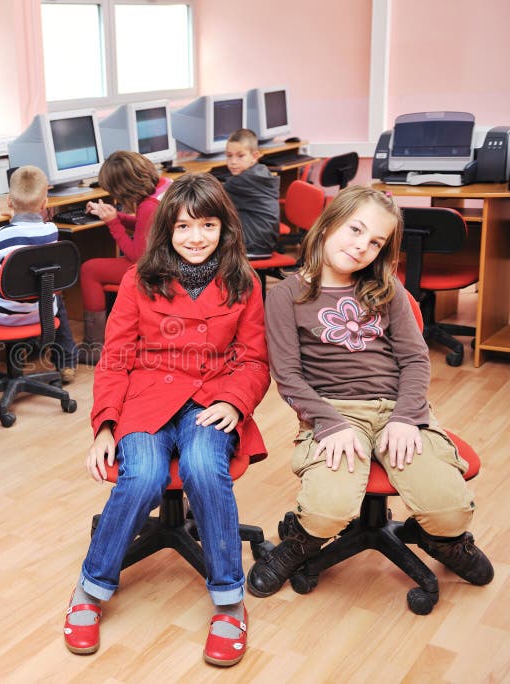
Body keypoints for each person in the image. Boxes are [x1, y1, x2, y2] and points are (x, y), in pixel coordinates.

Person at [64, 173, 271, 667]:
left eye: (207, 225)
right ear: (167, 230)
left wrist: (235, 402)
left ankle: (229, 601)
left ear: (225, 228)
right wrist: (105, 425)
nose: (196, 237)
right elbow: (115, 357)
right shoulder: (139, 278)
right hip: (147, 400)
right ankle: (91, 588)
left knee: (203, 468)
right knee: (143, 477)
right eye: (183, 227)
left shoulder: (244, 281)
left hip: (212, 399)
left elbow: (254, 359)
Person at [247, 185, 493, 597]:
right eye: (355, 229)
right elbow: (287, 376)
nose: (363, 246)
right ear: (328, 225)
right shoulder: (286, 295)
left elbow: (415, 361)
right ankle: (302, 543)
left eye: (376, 241)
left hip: (399, 409)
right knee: (326, 512)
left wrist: (406, 417)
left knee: (450, 513)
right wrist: (329, 423)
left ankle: (444, 541)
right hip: (335, 412)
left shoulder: (387, 289)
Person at [0, 165, 78, 383]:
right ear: (45, 203)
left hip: (3, 317)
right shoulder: (51, 231)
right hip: (43, 314)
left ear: (9, 202)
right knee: (57, 300)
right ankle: (66, 363)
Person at [79, 150, 172, 364]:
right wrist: (115, 215)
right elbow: (144, 227)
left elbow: (137, 257)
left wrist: (113, 223)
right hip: (170, 258)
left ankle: (94, 347)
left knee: (89, 269)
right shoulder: (165, 186)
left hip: (157, 267)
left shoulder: (148, 206)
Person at [219, 128, 280, 259]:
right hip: (265, 240)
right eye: (229, 155)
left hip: (253, 245)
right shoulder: (260, 171)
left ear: (255, 156)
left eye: (240, 156)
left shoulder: (242, 181)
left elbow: (212, 195)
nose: (233, 161)